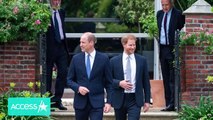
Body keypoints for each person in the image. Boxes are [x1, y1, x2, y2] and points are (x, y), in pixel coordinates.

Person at [67, 32, 113, 120]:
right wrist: (78, 88)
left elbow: (109, 83)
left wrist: (109, 102)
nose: (80, 45)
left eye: (83, 42)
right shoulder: (76, 59)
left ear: (91, 43)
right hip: (80, 103)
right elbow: (69, 80)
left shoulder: (104, 59)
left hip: (97, 103)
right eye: (80, 42)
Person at [110, 34, 151, 120]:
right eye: (130, 45)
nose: (133, 47)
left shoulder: (141, 60)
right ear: (124, 44)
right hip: (119, 98)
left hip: (135, 99)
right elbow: (108, 80)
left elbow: (146, 82)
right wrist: (119, 83)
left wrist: (147, 101)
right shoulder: (114, 61)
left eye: (134, 45)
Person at [157, 0, 185, 111]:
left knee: (173, 78)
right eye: (163, 5)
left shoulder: (178, 14)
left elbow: (182, 30)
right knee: (165, 76)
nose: (164, 7)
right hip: (163, 49)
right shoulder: (159, 14)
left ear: (171, 4)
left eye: (166, 5)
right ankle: (168, 103)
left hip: (173, 49)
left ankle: (174, 104)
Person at [46, 0, 69, 110]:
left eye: (59, 0)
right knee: (48, 75)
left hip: (61, 47)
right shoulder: (45, 13)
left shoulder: (62, 12)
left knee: (63, 72)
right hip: (49, 48)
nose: (57, 2)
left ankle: (57, 100)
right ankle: (48, 100)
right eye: (55, 0)